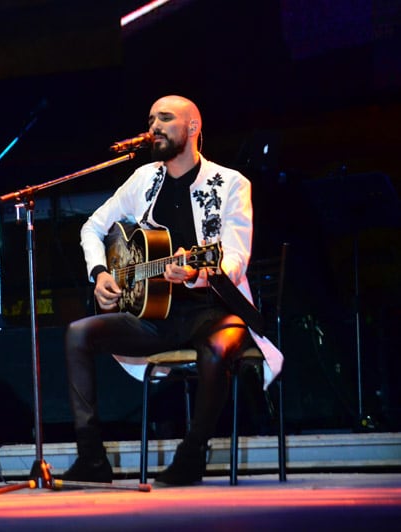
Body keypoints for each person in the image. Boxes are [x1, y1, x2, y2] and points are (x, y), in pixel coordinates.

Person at [61, 95, 282, 486]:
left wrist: (197, 273)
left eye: (165, 118)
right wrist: (99, 273)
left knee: (216, 349)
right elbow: (92, 227)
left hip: (215, 310)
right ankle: (91, 459)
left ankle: (192, 453)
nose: (154, 126)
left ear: (193, 127)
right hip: (155, 317)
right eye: (150, 119)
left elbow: (235, 258)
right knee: (79, 332)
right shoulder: (143, 180)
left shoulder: (231, 184)